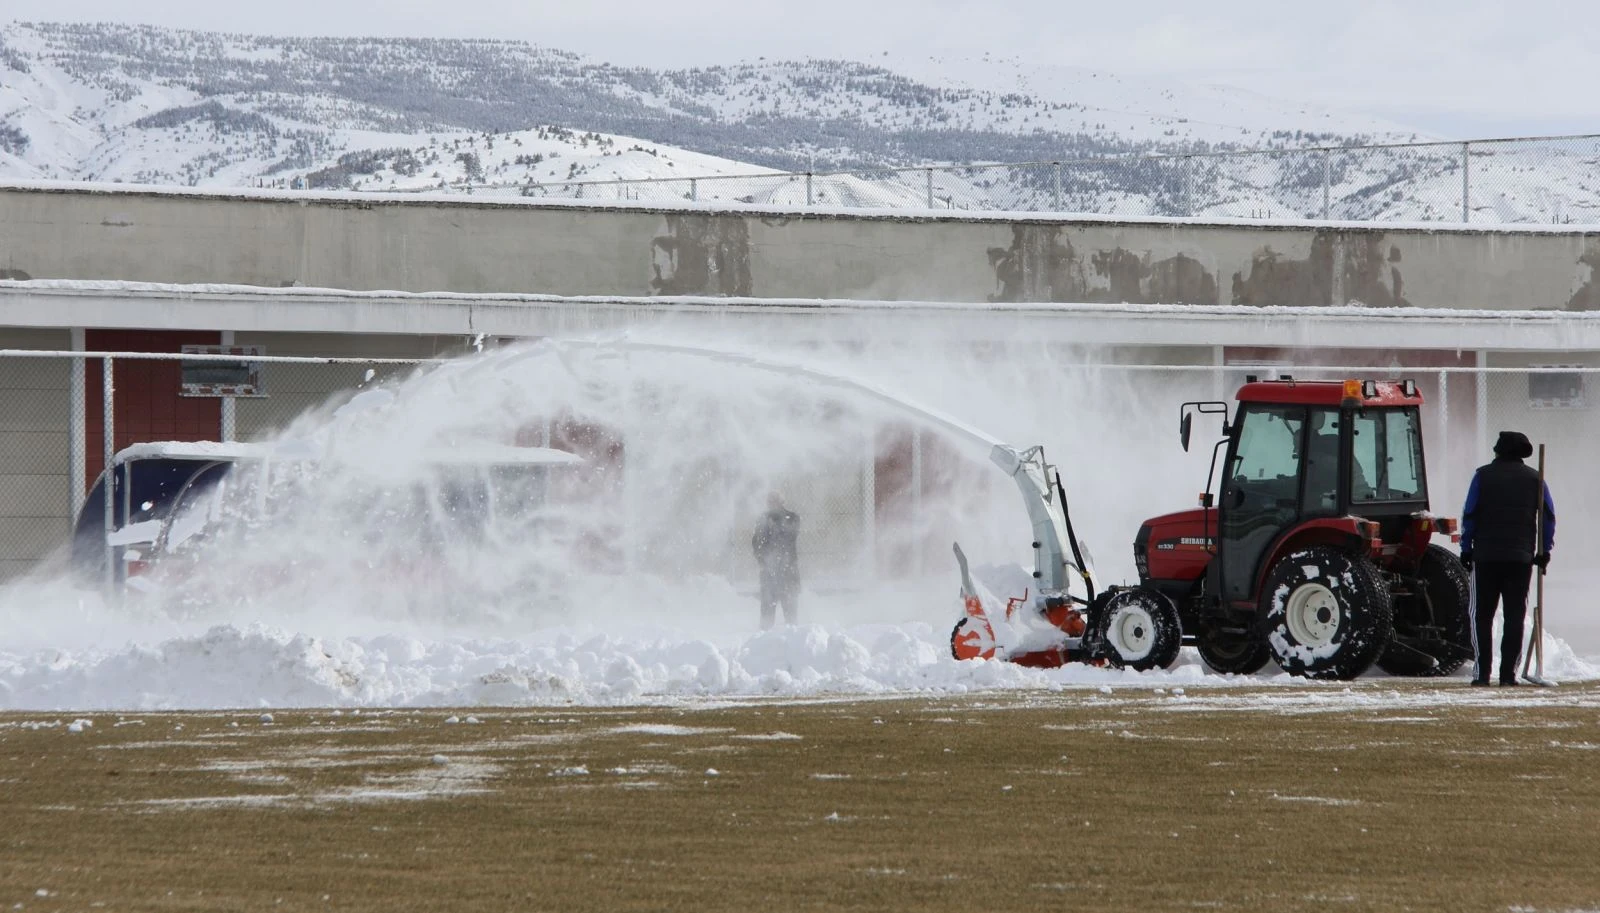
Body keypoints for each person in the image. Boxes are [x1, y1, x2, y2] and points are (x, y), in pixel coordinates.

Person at [1459, 431, 1555, 686]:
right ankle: (1507, 675)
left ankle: (1481, 674)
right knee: (1514, 615)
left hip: (1485, 557)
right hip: (1521, 559)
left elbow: (1470, 513)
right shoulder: (1536, 479)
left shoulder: (1482, 476)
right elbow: (1547, 518)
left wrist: (1466, 549)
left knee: (1482, 616)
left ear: (1499, 451)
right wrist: (1544, 552)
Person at [751, 493, 801, 629]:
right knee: (767, 609)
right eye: (769, 501)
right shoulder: (762, 519)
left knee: (790, 611)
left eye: (774, 501)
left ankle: (793, 635)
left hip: (788, 571)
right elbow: (756, 543)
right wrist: (762, 560)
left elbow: (788, 538)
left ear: (781, 502)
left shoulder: (792, 518)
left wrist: (773, 525)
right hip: (769, 571)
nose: (771, 504)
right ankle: (764, 637)